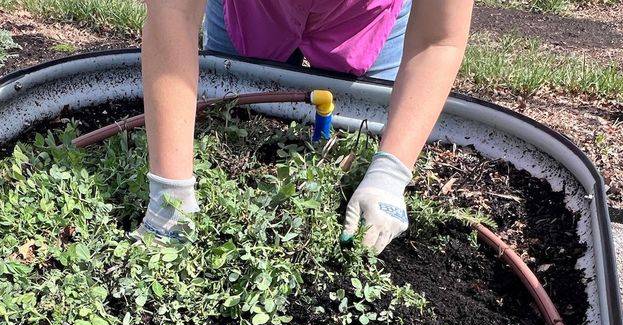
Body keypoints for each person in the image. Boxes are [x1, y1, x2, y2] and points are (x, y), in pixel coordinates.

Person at [136, 0, 474, 254]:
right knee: (234, 107)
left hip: (364, 18)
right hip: (254, 9)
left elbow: (437, 41)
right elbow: (174, 14)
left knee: (361, 127)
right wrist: (171, 194)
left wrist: (390, 173)